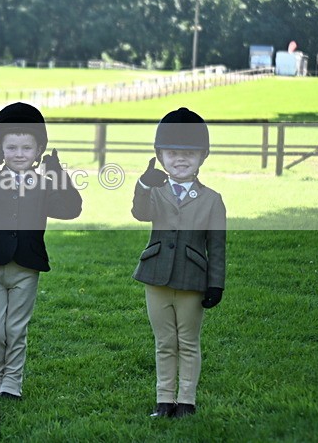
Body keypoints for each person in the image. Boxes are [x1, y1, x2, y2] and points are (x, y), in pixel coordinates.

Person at [0, 102, 83, 400]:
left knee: (15, 329)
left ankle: (11, 384)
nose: (19, 154)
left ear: (39, 149)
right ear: (0, 149)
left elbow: (71, 209)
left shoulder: (44, 183)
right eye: (11, 147)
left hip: (26, 266)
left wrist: (59, 174)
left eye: (26, 148)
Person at [131, 107, 226, 419]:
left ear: (202, 157)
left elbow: (217, 246)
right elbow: (140, 212)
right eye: (172, 152)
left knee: (187, 342)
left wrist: (216, 283)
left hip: (191, 281)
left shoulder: (212, 199)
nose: (180, 159)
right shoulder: (155, 190)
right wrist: (144, 184)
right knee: (164, 342)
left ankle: (186, 401)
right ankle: (163, 401)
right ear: (160, 156)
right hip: (156, 276)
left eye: (189, 153)